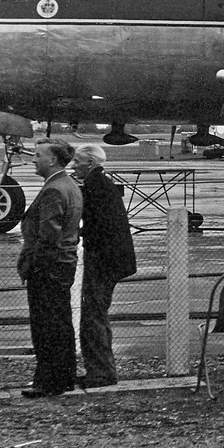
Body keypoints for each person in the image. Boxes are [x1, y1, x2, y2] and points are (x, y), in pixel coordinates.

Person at [16, 138, 83, 396]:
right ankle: (63, 377)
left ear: (52, 160)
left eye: (37, 155)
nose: (33, 159)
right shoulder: (69, 185)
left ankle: (48, 381)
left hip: (48, 266)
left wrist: (33, 266)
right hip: (63, 264)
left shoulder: (54, 189)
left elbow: (48, 236)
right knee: (61, 323)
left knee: (46, 326)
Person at [70, 144, 137, 389]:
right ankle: (101, 369)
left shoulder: (93, 188)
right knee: (96, 314)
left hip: (102, 260)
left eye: (77, 161)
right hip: (112, 258)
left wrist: (75, 234)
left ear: (90, 163)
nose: (73, 165)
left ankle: (101, 371)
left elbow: (96, 226)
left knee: (93, 315)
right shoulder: (101, 185)